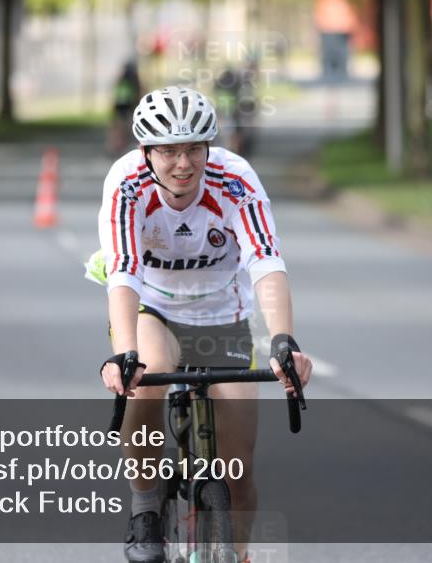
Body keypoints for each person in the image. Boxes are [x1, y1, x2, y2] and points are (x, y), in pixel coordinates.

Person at [91, 86, 312, 563]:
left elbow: (266, 261)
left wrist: (283, 341)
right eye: (168, 151)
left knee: (239, 472)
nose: (183, 163)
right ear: (145, 151)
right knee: (147, 375)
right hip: (153, 308)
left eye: (194, 148)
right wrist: (124, 353)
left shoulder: (235, 179)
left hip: (223, 317)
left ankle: (238, 555)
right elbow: (123, 270)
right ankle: (146, 507)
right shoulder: (127, 182)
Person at [108, 61, 142, 157]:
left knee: (119, 127)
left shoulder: (122, 80)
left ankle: (116, 146)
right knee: (123, 128)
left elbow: (116, 94)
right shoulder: (132, 79)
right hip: (126, 106)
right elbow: (138, 93)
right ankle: (118, 146)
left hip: (121, 106)